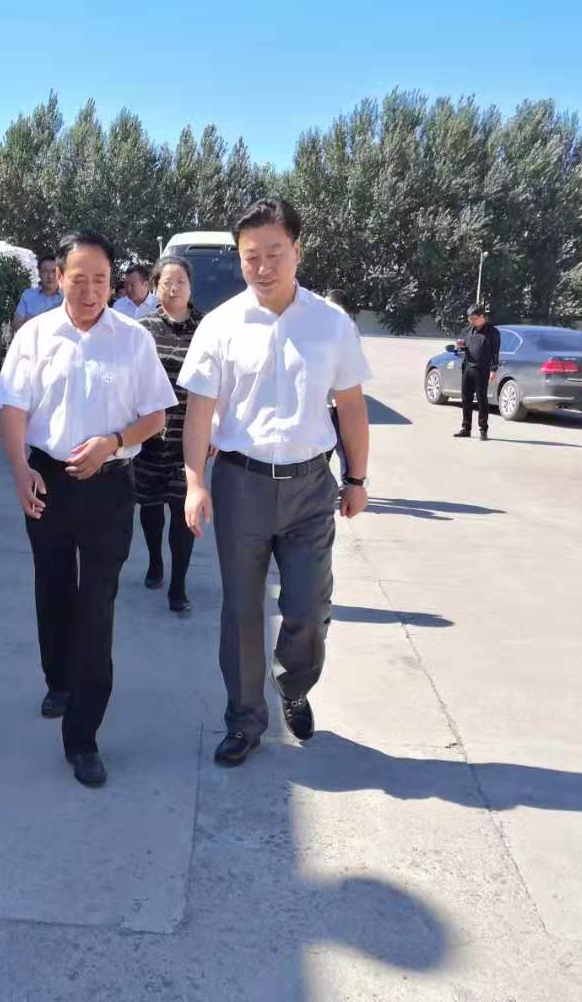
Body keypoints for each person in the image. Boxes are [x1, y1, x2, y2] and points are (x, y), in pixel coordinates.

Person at [179, 197, 371, 768]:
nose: (262, 267)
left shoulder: (330, 324)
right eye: (250, 256)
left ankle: (294, 684)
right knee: (242, 611)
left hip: (311, 486)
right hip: (241, 484)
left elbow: (351, 407)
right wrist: (194, 481)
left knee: (309, 606)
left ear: (297, 251)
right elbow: (198, 412)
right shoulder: (220, 325)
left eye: (274, 253)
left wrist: (357, 478)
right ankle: (244, 720)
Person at [0, 230, 176, 788]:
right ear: (60, 278)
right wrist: (20, 470)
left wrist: (112, 443)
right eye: (79, 279)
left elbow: (156, 416)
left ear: (113, 280)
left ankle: (84, 735)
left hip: (109, 485)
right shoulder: (36, 335)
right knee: (52, 588)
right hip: (46, 480)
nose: (91, 290)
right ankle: (59, 680)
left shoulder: (132, 339)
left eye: (101, 279)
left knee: (97, 605)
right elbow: (13, 409)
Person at [134, 256, 203, 614]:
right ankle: (155, 560)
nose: (174, 289)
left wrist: (214, 431)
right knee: (150, 505)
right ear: (155, 287)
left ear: (191, 286)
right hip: (149, 435)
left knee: (182, 509)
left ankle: (178, 585)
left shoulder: (206, 329)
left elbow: (222, 383)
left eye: (181, 282)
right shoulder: (142, 328)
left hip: (189, 435)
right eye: (166, 283)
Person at [454, 304, 500, 441]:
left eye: (473, 318)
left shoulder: (492, 332)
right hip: (468, 367)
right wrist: (461, 345)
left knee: (481, 399)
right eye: (469, 319)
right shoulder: (470, 329)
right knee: (465, 398)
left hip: (482, 369)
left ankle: (483, 430)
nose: (471, 321)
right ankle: (466, 428)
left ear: (482, 316)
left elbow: (495, 352)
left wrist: (494, 369)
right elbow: (467, 346)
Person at [325, 289, 355, 478]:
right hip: (325, 402)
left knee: (343, 448)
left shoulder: (346, 329)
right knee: (322, 450)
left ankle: (348, 483)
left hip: (339, 404)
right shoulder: (326, 326)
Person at [11, 254, 63, 333]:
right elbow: (17, 325)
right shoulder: (28, 295)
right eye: (45, 271)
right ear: (39, 273)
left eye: (54, 271)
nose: (50, 276)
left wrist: (31, 321)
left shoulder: (67, 297)